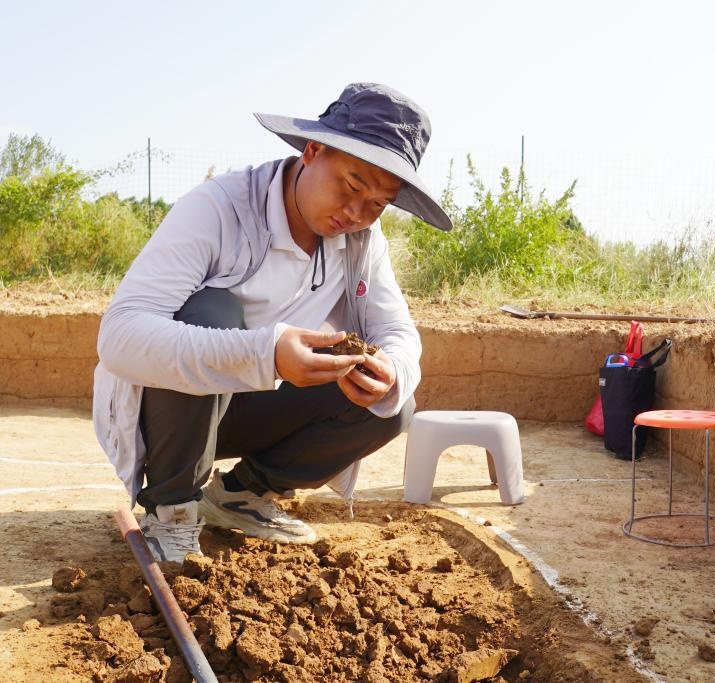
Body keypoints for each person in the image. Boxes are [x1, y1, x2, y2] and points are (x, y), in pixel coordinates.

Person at [92, 82, 452, 563]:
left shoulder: (364, 239)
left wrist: (394, 372)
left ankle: (240, 495)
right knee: (215, 311)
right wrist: (266, 353)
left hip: (254, 410)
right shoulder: (219, 208)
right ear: (314, 149)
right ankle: (173, 508)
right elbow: (119, 337)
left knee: (393, 402)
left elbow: (399, 334)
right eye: (351, 185)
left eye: (376, 203)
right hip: (171, 413)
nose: (356, 212)